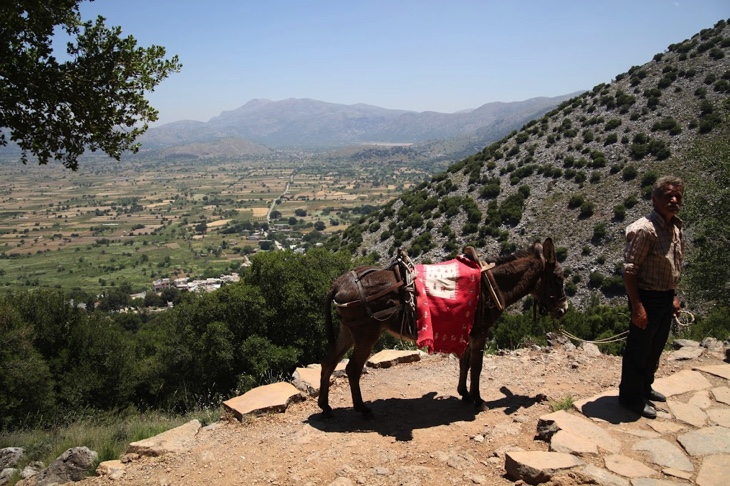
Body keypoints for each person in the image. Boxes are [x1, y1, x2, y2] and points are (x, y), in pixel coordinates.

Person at [619, 175, 684, 419]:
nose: (674, 200)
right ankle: (630, 398)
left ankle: (645, 388)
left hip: (664, 297)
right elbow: (629, 271)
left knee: (655, 348)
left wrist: (673, 296)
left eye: (678, 196)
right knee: (639, 349)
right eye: (668, 196)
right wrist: (638, 307)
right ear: (655, 199)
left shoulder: (675, 227)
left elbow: (672, 265)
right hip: (646, 297)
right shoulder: (645, 230)